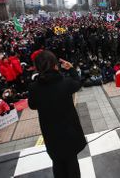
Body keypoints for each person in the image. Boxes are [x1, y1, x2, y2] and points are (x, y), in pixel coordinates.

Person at [28, 50, 86, 178]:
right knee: (72, 163)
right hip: (69, 132)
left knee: (57, 162)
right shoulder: (66, 83)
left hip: (51, 133)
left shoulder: (34, 87)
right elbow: (78, 82)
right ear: (55, 65)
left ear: (37, 68)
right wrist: (71, 69)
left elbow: (32, 106)